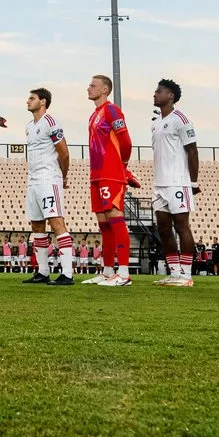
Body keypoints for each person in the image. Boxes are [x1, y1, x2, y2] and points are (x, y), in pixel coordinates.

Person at [83, 74, 136, 285]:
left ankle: (123, 274)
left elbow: (126, 141)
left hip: (111, 173)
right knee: (104, 224)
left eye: (92, 85)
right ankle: (107, 271)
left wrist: (122, 168)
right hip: (96, 174)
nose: (88, 88)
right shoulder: (93, 114)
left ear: (104, 90)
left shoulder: (111, 110)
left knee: (115, 217)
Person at [145, 79, 198, 287]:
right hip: (159, 183)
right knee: (164, 228)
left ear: (171, 96)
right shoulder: (156, 122)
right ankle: (174, 273)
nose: (155, 94)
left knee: (182, 226)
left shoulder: (181, 119)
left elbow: (192, 150)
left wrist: (193, 182)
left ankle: (186, 275)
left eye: (159, 91)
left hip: (178, 182)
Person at [21, 86, 77, 284]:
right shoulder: (29, 126)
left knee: (56, 222)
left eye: (32, 98)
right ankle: (43, 272)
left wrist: (63, 176)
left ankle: (67, 274)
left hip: (48, 178)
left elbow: (64, 153)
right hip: (33, 180)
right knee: (36, 224)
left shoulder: (51, 122)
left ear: (42, 101)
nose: (28, 101)